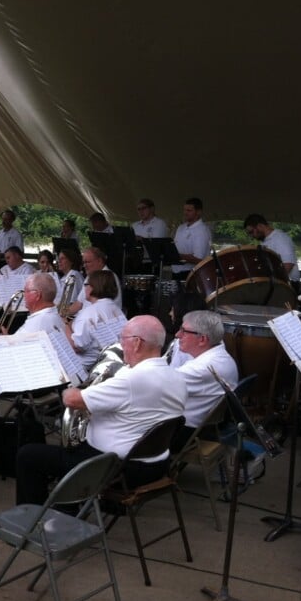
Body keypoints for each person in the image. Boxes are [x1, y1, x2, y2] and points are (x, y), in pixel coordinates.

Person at [16, 315, 187, 505]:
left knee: (28, 455)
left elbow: (73, 400)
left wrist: (70, 388)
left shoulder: (131, 380)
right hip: (158, 463)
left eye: (123, 338)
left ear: (137, 343)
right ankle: (68, 506)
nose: (121, 345)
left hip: (116, 468)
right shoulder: (178, 377)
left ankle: (32, 519)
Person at [169, 310, 239, 453]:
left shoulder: (200, 369)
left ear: (202, 339)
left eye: (184, 331)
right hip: (203, 427)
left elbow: (153, 387)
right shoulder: (221, 356)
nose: (177, 335)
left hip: (184, 434)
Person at [67, 270, 126, 371]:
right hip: (112, 363)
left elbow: (76, 347)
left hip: (87, 368)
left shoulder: (88, 313)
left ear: (92, 288)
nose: (84, 288)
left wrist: (64, 324)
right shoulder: (116, 309)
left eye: (86, 284)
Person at [244, 213, 299, 285]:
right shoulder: (265, 242)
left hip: (287, 285)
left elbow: (288, 265)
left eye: (251, 232)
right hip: (274, 284)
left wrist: (272, 283)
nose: (251, 236)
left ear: (260, 226)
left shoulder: (280, 238)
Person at [171, 197, 212, 279]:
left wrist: (175, 255)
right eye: (184, 210)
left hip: (192, 274)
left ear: (198, 212)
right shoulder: (181, 227)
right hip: (176, 272)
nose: (185, 213)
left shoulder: (202, 230)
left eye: (189, 211)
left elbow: (198, 259)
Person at [81, 246, 123, 310]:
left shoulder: (109, 278)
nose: (84, 265)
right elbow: (79, 303)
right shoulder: (90, 275)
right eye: (84, 262)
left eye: (87, 262)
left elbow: (101, 309)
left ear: (99, 261)